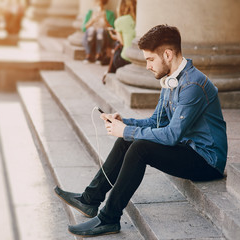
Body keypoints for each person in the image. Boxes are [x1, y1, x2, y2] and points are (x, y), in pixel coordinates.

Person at [55, 24, 228, 237]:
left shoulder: (193, 85)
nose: (147, 66)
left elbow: (172, 135)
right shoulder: (171, 82)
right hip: (187, 148)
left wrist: (127, 130)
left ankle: (109, 219)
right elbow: (156, 122)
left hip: (207, 160)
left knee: (139, 148)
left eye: (150, 59)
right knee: (127, 140)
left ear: (167, 54)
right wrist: (123, 122)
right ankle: (90, 200)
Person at [102, 0, 136, 84]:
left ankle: (110, 71)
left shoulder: (120, 21)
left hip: (124, 59)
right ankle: (109, 71)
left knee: (117, 45)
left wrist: (114, 36)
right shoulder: (138, 20)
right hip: (136, 56)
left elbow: (123, 42)